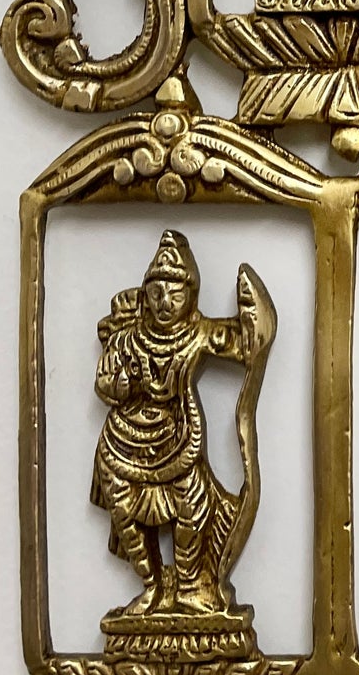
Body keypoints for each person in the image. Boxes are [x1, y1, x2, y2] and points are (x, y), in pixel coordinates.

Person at [91, 231, 272, 618]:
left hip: (179, 441)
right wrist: (119, 385)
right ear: (145, 294)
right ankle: (152, 587)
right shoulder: (127, 339)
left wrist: (254, 312)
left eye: (175, 293)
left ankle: (191, 587)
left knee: (193, 508)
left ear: (191, 295)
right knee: (125, 513)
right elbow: (104, 382)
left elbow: (245, 343)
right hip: (124, 445)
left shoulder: (199, 333)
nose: (164, 303)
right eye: (156, 292)